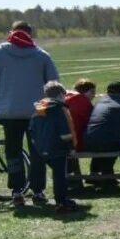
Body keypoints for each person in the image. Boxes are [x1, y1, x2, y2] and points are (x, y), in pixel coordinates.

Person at [0, 21, 60, 206]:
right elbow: (54, 84)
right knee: (37, 152)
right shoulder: (42, 55)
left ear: (11, 32)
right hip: (37, 112)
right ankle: (38, 191)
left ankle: (17, 191)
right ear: (30, 34)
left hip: (9, 112)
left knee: (13, 152)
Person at [27, 81, 78, 213]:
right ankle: (61, 202)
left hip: (40, 147)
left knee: (38, 170)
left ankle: (38, 194)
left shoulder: (37, 109)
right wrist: (71, 146)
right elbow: (66, 131)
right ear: (61, 94)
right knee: (60, 175)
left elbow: (31, 129)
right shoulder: (60, 109)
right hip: (58, 147)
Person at [83, 80, 120, 185]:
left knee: (105, 139)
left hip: (89, 141)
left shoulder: (99, 103)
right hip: (109, 142)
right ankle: (110, 176)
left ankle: (96, 174)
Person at [64, 79, 96, 152]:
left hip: (62, 143)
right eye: (92, 92)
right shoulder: (82, 101)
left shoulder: (65, 97)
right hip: (77, 143)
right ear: (84, 91)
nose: (94, 95)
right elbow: (93, 121)